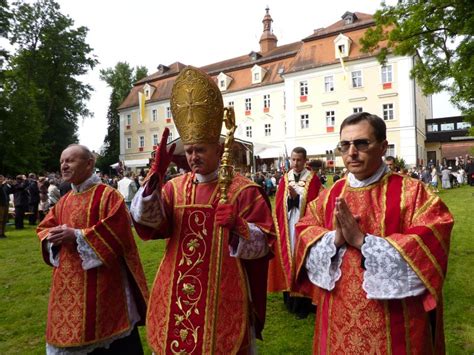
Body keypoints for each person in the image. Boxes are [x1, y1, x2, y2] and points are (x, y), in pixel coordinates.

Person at [130, 66, 274, 354]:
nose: (193, 156)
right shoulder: (174, 188)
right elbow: (150, 223)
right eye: (190, 150)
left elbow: (266, 244)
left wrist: (239, 226)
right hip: (178, 288)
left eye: (201, 150)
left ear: (219, 151)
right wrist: (153, 181)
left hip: (224, 291)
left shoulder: (243, 190)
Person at [294, 112, 454, 353]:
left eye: (361, 143)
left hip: (394, 321)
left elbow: (433, 235)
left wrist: (362, 241)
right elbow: (304, 230)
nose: (351, 152)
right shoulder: (330, 195)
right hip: (338, 316)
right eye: (345, 145)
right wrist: (334, 239)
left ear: (383, 147)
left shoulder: (412, 192)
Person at [36, 144, 149, 354]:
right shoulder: (64, 201)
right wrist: (52, 239)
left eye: (70, 160)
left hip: (103, 284)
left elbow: (118, 232)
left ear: (89, 164)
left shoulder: (108, 196)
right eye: (62, 161)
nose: (64, 165)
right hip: (67, 283)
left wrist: (77, 236)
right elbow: (44, 228)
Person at [268, 147, 321, 318]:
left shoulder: (313, 180)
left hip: (306, 228)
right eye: (293, 160)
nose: (296, 163)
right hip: (289, 226)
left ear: (305, 161)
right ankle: (290, 299)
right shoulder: (285, 179)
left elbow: (316, 206)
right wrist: (290, 200)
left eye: (299, 160)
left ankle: (305, 301)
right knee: (289, 258)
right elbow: (278, 205)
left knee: (305, 259)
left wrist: (298, 199)